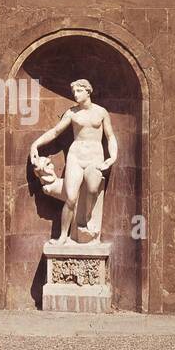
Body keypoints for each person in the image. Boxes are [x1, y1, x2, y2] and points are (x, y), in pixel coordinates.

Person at [30, 79, 117, 244]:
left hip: (95, 156)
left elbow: (110, 136)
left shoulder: (101, 112)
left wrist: (112, 157)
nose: (75, 95)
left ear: (88, 91)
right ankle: (63, 235)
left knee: (92, 189)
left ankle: (85, 221)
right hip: (75, 156)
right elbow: (55, 132)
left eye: (78, 91)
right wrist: (36, 144)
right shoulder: (72, 113)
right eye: (74, 92)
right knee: (70, 197)